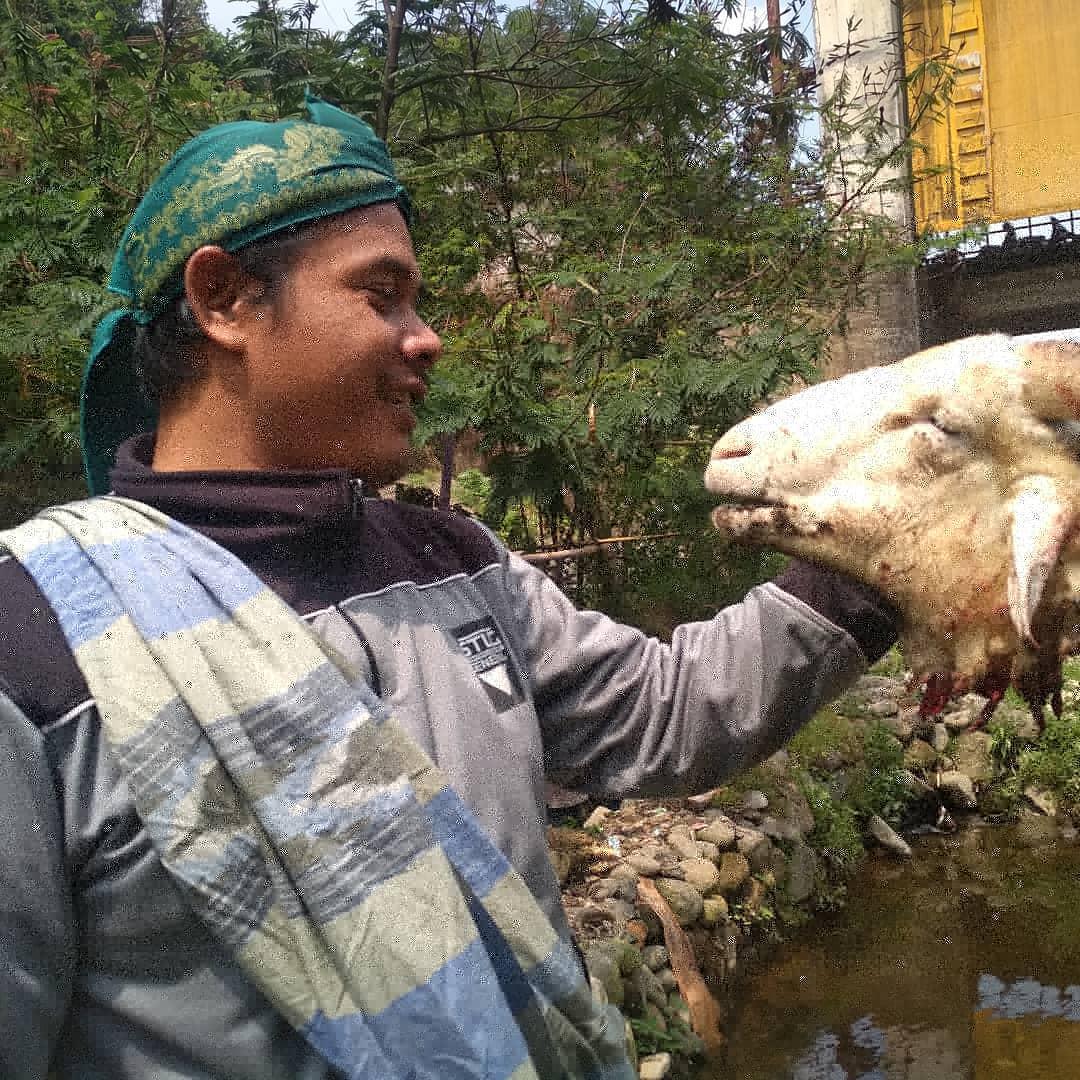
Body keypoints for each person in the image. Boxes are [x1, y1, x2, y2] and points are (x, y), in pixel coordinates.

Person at [0, 93, 898, 1080]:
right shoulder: (41, 638)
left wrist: (898, 553)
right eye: (381, 295)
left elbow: (666, 712)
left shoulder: (455, 563)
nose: (426, 337)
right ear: (225, 302)